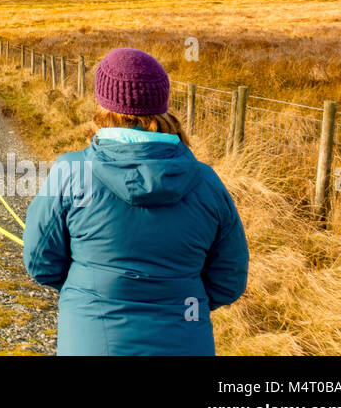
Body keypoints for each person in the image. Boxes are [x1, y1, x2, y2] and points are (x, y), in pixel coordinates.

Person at [22, 47, 249, 355]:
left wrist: (86, 289)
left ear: (103, 103)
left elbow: (40, 262)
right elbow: (229, 280)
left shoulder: (69, 171)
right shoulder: (207, 182)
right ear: (162, 102)